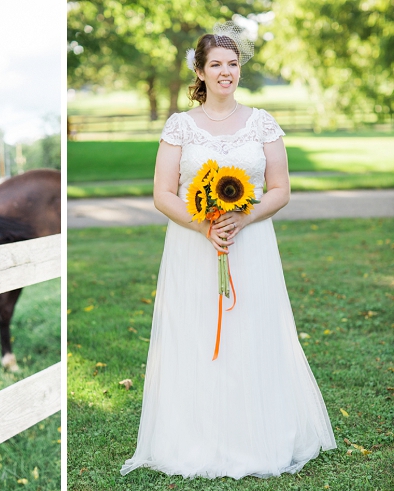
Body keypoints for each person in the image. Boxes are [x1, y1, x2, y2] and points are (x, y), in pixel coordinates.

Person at [121, 22, 336, 479]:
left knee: (252, 333)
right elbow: (163, 194)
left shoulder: (262, 122)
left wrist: (244, 216)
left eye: (233, 64)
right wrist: (204, 227)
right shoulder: (180, 126)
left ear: (240, 69)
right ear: (199, 72)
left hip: (252, 244)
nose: (225, 72)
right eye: (215, 64)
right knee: (197, 335)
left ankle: (258, 437)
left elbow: (279, 188)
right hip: (192, 248)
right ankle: (196, 438)